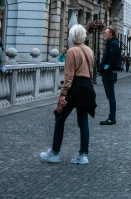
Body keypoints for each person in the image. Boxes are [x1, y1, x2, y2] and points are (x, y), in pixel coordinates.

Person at [40, 24, 96, 165]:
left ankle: (54, 153)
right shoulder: (89, 50)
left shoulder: (72, 51)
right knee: (83, 122)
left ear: (72, 36)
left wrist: (63, 94)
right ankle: (83, 154)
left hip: (74, 87)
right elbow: (91, 72)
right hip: (87, 87)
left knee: (60, 117)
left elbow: (69, 75)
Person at [99, 26, 121, 126]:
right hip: (107, 72)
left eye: (106, 32)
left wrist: (106, 68)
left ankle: (112, 118)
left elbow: (112, 59)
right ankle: (112, 117)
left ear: (110, 34)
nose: (104, 33)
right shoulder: (111, 43)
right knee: (110, 95)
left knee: (111, 95)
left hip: (109, 73)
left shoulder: (113, 44)